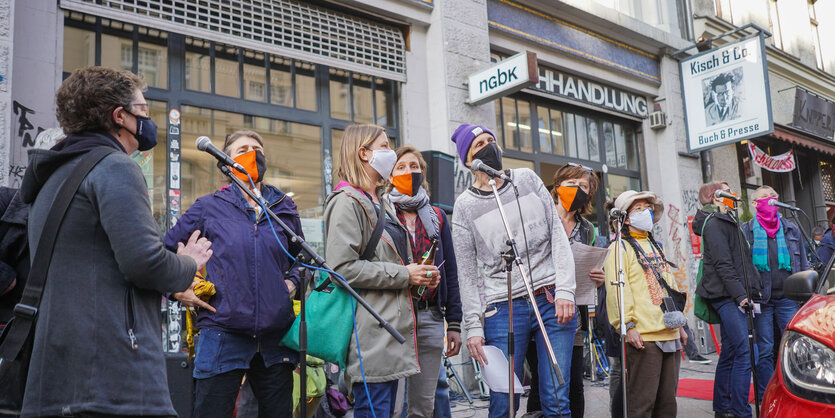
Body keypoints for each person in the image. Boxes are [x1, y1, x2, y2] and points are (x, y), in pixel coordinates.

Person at [19, 66, 212, 416]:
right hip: (113, 378)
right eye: (142, 111)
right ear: (119, 116)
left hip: (56, 380)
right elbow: (145, 262)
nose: (148, 120)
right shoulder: (114, 167)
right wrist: (189, 263)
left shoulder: (53, 177)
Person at [164, 130, 303, 417]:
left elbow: (301, 258)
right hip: (222, 331)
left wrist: (290, 282)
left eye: (257, 148)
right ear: (226, 162)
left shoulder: (283, 207)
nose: (252, 154)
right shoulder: (209, 206)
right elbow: (164, 250)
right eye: (241, 149)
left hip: (276, 338)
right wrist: (177, 289)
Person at [450, 123, 576, 417]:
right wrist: (474, 326)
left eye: (491, 140)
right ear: (469, 161)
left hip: (549, 298)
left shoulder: (527, 179)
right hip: (501, 309)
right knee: (504, 401)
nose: (489, 146)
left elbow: (558, 236)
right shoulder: (465, 206)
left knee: (557, 398)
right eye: (479, 144)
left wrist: (566, 289)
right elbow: (466, 273)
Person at [324, 124, 439, 417]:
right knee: (374, 409)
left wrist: (419, 277)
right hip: (370, 333)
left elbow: (387, 259)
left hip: (390, 328)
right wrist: (404, 275)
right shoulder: (347, 201)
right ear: (363, 153)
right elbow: (341, 268)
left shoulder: (381, 202)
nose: (391, 153)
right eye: (385, 146)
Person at [386, 146, 461, 418]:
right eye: (401, 167)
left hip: (429, 317)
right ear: (390, 174)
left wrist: (454, 323)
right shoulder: (381, 213)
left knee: (422, 408)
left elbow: (451, 271)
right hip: (392, 315)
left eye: (414, 166)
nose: (409, 171)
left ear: (423, 172)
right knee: (391, 407)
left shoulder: (437, 216)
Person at [524, 163, 604, 417]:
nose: (578, 189)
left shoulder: (587, 229)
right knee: (542, 382)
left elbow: (588, 264)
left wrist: (597, 277)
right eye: (572, 183)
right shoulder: (539, 218)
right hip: (538, 311)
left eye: (584, 186)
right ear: (558, 186)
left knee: (573, 384)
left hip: (573, 316)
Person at [603, 190, 686, 418]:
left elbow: (668, 287)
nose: (646, 213)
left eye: (648, 208)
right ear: (625, 219)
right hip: (644, 338)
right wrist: (627, 326)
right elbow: (617, 291)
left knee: (667, 405)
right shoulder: (619, 248)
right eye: (638, 209)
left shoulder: (657, 247)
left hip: (669, 333)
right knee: (641, 405)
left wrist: (679, 325)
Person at [693, 181, 762, 418]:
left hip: (735, 293)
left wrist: (753, 289)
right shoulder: (713, 224)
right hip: (726, 295)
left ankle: (722, 407)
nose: (732, 192)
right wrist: (741, 295)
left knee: (732, 351)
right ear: (715, 197)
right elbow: (723, 263)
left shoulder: (732, 222)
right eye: (726, 190)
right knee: (745, 349)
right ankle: (741, 411)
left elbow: (743, 261)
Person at [742, 185, 808, 399]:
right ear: (755, 204)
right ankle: (766, 394)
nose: (770, 199)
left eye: (773, 196)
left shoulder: (791, 228)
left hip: (788, 298)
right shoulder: (747, 230)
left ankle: (795, 391)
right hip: (762, 298)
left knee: (793, 345)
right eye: (764, 197)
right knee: (766, 347)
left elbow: (804, 263)